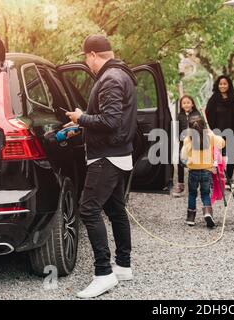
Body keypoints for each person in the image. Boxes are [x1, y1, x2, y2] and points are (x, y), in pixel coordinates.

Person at [65, 35, 137, 299]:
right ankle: (124, 266)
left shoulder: (110, 79)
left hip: (106, 156)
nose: (87, 62)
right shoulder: (119, 75)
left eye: (86, 57)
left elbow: (110, 122)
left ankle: (104, 273)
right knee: (115, 209)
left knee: (88, 209)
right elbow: (110, 120)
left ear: (93, 54)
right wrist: (80, 126)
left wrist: (80, 117)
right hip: (117, 153)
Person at [181, 115, 225, 228]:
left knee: (192, 193)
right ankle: (207, 213)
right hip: (206, 170)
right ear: (204, 126)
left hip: (193, 171)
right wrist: (212, 133)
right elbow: (222, 143)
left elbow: (183, 156)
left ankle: (191, 218)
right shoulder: (210, 136)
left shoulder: (187, 139)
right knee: (205, 193)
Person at [205, 75, 234, 187]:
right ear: (217, 85)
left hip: (232, 131)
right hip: (217, 133)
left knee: (231, 156)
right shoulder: (213, 99)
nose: (222, 86)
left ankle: (229, 179)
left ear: (229, 85)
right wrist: (211, 131)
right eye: (220, 84)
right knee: (216, 156)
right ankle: (216, 178)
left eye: (225, 84)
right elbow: (208, 115)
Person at [172, 95, 201, 197]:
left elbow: (200, 129)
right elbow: (178, 130)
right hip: (183, 143)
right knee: (180, 163)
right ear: (181, 105)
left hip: (194, 143)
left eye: (188, 102)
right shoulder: (180, 116)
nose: (186, 104)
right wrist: (179, 139)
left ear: (192, 104)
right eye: (184, 103)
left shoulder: (197, 114)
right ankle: (181, 184)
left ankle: (194, 185)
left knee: (193, 164)